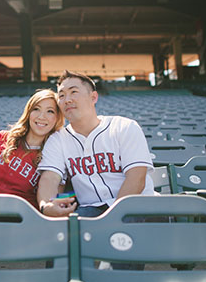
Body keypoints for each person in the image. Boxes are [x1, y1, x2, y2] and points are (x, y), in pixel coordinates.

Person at [36, 70, 154, 218]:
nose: (67, 100)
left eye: (73, 92)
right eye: (61, 95)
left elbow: (136, 178)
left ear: (93, 97)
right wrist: (46, 206)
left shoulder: (124, 127)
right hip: (90, 212)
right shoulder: (58, 139)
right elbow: (50, 178)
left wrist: (114, 218)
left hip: (138, 206)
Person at [0, 89, 64, 208]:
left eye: (50, 111)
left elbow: (55, 194)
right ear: (28, 113)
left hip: (17, 217)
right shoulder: (2, 137)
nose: (42, 116)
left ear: (57, 118)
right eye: (36, 109)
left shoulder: (53, 155)